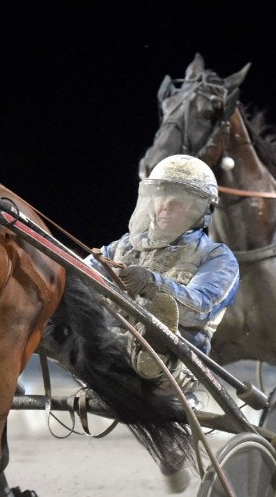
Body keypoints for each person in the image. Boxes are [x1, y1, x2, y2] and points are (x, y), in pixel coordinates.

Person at [88, 153, 240, 384]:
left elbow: (199, 309)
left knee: (159, 327)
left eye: (177, 202)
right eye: (161, 198)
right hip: (105, 345)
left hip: (177, 362)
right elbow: (78, 278)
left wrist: (150, 284)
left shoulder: (217, 257)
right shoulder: (121, 247)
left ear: (200, 211)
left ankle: (153, 354)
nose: (166, 206)